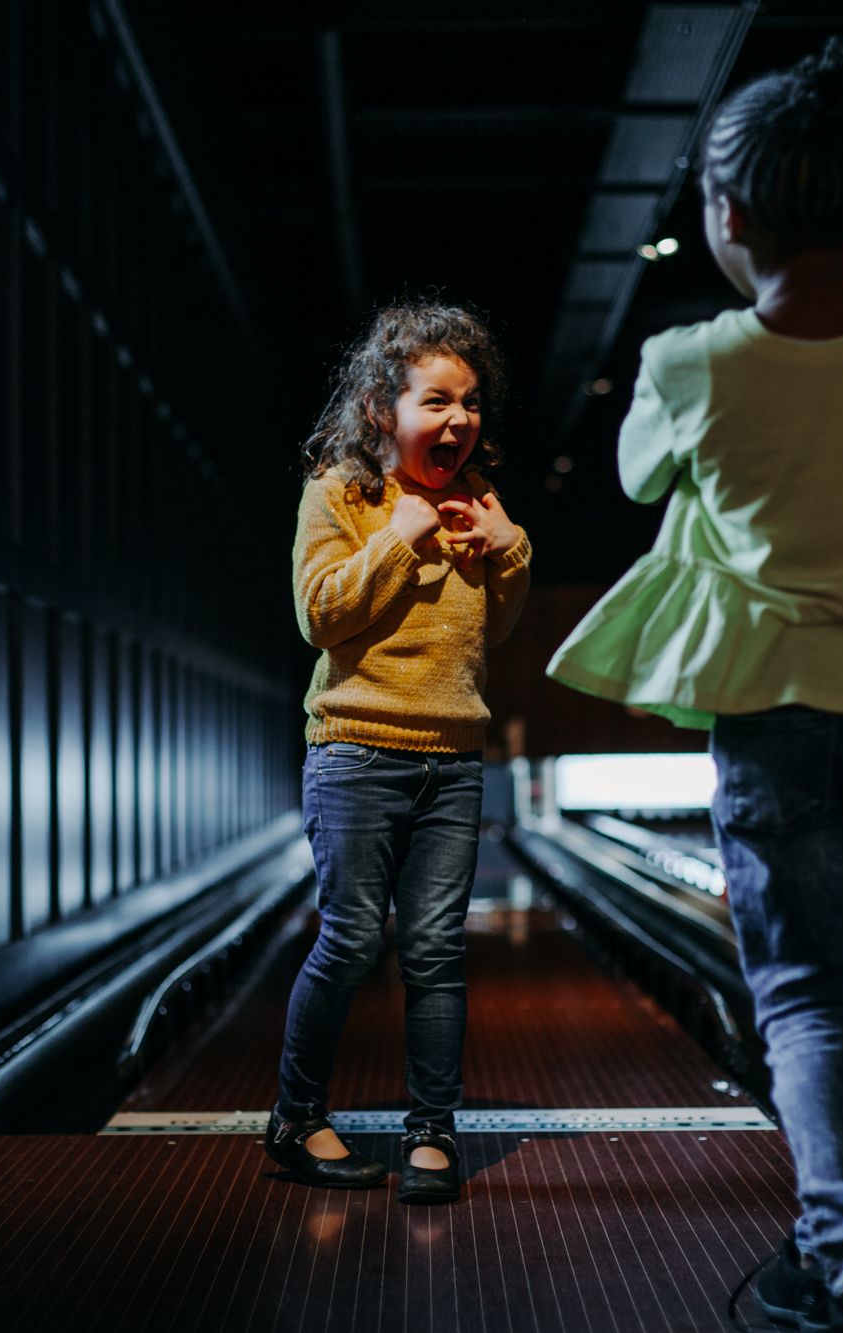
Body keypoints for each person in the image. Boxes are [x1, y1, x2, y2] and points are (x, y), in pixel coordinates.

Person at [547, 35, 843, 1333]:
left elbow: (638, 482)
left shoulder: (693, 364)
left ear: (731, 214)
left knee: (805, 996)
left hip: (772, 713)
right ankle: (827, 1255)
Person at [265, 302, 532, 1205]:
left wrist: (511, 551)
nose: (459, 420)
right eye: (437, 401)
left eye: (470, 402)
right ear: (384, 408)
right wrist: (400, 537)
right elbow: (319, 614)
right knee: (347, 940)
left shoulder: (479, 500)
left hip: (453, 759)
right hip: (355, 753)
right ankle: (296, 1118)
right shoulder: (341, 494)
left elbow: (494, 625)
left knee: (434, 950)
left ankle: (432, 1130)